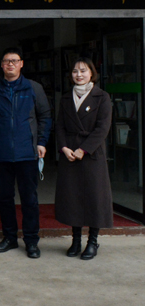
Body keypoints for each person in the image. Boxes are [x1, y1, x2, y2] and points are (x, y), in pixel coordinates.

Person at [0, 47, 51, 259]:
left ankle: (31, 241)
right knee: (4, 198)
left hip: (27, 153)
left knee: (29, 199)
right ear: (1, 65)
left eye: (14, 60)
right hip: (1, 153)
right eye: (6, 61)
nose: (10, 64)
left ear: (21, 63)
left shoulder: (33, 88)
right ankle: (9, 238)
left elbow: (45, 116)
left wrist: (41, 142)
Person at [55, 58, 113, 260]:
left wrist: (84, 149)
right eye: (75, 71)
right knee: (73, 197)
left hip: (92, 154)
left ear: (92, 73)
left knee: (94, 197)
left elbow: (103, 128)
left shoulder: (102, 97)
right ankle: (76, 240)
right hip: (69, 153)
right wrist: (64, 147)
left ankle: (92, 242)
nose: (78, 75)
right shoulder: (65, 98)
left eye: (83, 70)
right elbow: (60, 125)